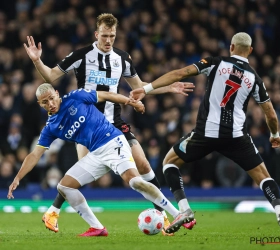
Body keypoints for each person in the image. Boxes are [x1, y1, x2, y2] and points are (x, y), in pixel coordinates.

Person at [23, 13, 195, 235]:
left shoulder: (122, 58)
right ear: (96, 34)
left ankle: (162, 214)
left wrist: (167, 88)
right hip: (86, 125)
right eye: (104, 35)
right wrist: (37, 60)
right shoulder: (81, 55)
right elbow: (51, 75)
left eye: (112, 36)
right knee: (78, 175)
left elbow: (139, 86)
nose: (108, 40)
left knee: (142, 164)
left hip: (114, 123)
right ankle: (55, 211)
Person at [130, 32, 280, 239]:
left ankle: (184, 210)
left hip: (205, 134)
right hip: (237, 137)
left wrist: (145, 89)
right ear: (251, 51)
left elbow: (181, 73)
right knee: (264, 177)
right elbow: (271, 113)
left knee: (169, 163)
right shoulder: (255, 78)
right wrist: (275, 134)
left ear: (231, 47)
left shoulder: (215, 63)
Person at [7, 83, 183, 237]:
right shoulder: (51, 127)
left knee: (135, 181)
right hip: (96, 154)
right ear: (40, 104)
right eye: (45, 102)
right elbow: (35, 154)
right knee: (64, 186)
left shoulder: (75, 97)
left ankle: (178, 214)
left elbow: (105, 95)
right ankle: (97, 228)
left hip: (113, 141)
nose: (50, 104)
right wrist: (18, 177)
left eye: (52, 98)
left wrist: (130, 101)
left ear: (57, 93)